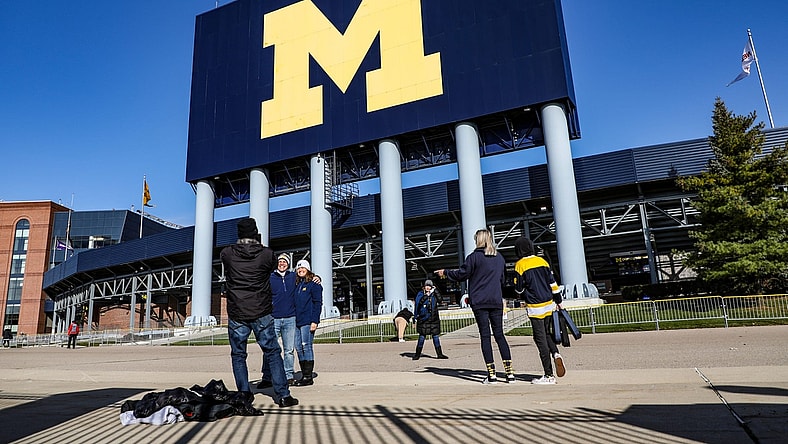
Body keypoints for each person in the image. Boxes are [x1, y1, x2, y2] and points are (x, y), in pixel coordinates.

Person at [220, 217, 298, 408]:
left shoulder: (227, 254)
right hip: (261, 310)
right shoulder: (266, 254)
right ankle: (283, 395)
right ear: (255, 233)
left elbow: (229, 260)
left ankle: (244, 394)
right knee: (272, 351)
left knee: (239, 354)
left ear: (239, 234)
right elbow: (269, 264)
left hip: (237, 311)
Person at [435, 228, 514, 384]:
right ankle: (509, 373)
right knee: (499, 335)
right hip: (495, 300)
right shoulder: (499, 258)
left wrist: (445, 272)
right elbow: (503, 279)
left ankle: (491, 374)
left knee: (485, 336)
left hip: (479, 301)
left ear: (478, 240)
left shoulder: (473, 258)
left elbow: (461, 275)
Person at [258, 253, 322, 388]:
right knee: (270, 348)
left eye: (285, 262)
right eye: (280, 261)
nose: (282, 263)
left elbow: (312, 287)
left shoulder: (293, 277)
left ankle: (289, 376)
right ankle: (267, 377)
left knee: (289, 350)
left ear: (288, 264)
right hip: (274, 318)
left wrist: (317, 277)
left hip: (290, 319)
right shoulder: (271, 278)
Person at [513, 236, 565, 385]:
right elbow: (553, 284)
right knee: (546, 333)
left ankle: (548, 375)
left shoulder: (520, 265)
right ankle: (555, 353)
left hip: (535, 307)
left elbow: (519, 288)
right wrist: (559, 301)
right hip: (549, 303)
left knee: (539, 338)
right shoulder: (542, 261)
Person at [291, 259, 323, 386]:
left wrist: (315, 320)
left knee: (306, 346)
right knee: (298, 347)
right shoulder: (297, 285)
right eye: (298, 268)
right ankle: (304, 374)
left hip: (307, 320)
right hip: (296, 321)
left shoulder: (314, 285)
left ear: (308, 269)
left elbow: (317, 303)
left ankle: (308, 377)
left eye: (303, 268)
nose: (300, 270)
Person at [412, 280, 448, 360]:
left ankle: (439, 354)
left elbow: (440, 300)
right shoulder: (420, 294)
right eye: (427, 286)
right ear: (424, 287)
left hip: (433, 319)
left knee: (435, 336)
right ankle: (417, 354)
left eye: (430, 286)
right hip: (423, 319)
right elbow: (419, 303)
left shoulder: (434, 294)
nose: (428, 287)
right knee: (422, 337)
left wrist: (436, 291)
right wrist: (427, 295)